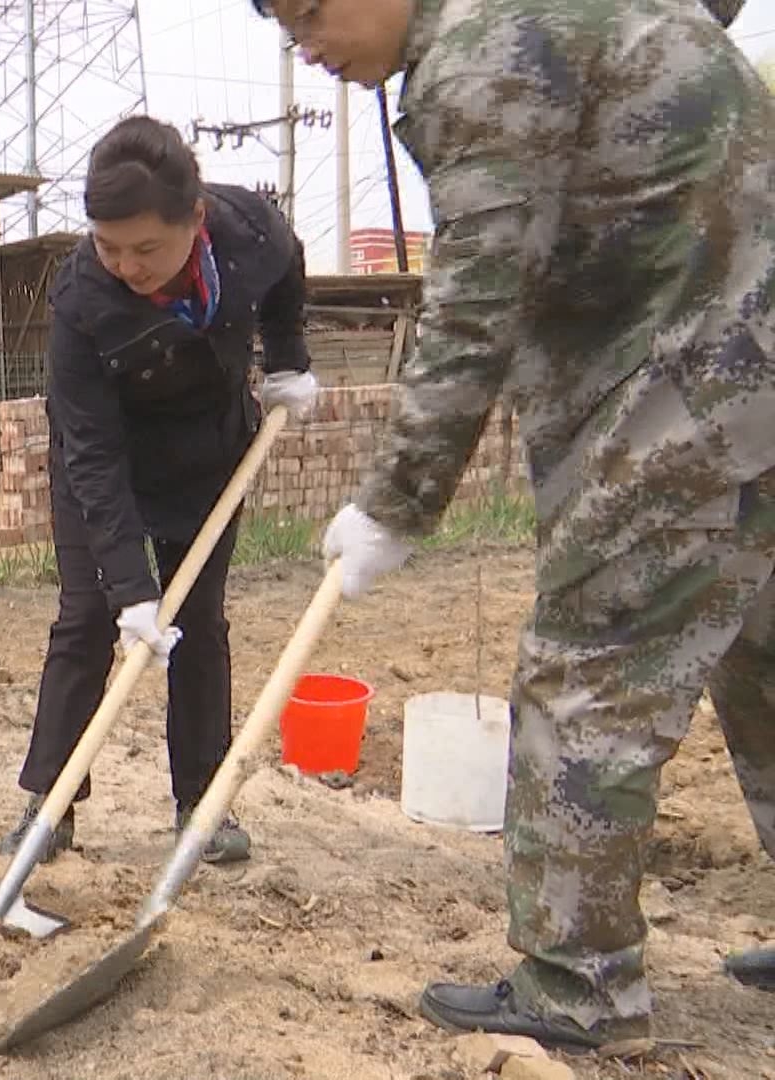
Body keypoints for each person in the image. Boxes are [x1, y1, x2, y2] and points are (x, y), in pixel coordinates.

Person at [253, 0, 775, 1046]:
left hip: (686, 392)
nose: (306, 45)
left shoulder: (485, 52)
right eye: (284, 28)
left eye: (309, 11)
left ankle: (579, 987)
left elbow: (474, 299)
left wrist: (396, 500)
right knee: (762, 655)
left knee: (585, 675)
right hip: (751, 363)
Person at [0, 115, 320, 868]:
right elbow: (92, 451)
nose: (127, 266)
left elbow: (288, 270)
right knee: (85, 619)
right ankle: (50, 805)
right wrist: (132, 588)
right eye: (108, 246)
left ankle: (200, 802)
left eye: (146, 248)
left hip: (208, 454)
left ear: (195, 219)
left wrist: (289, 358)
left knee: (200, 625)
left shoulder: (249, 232)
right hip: (102, 466)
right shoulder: (83, 302)